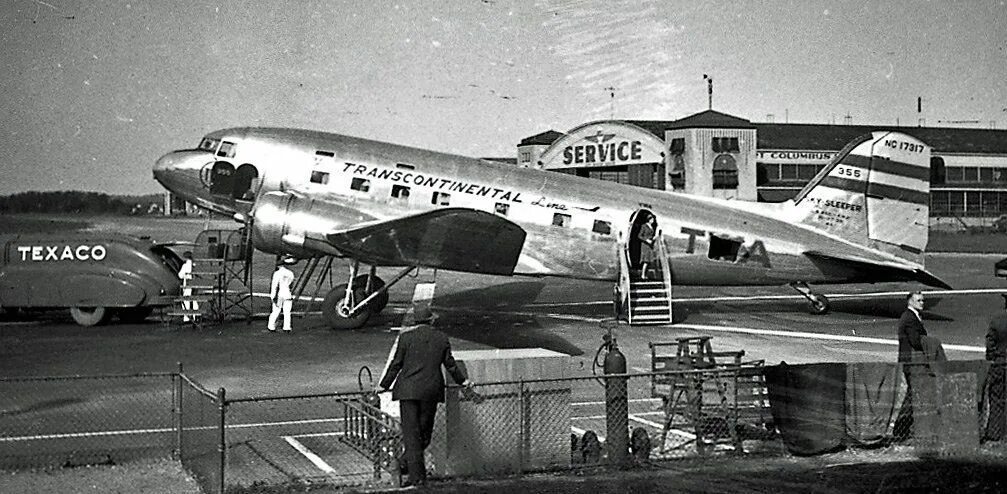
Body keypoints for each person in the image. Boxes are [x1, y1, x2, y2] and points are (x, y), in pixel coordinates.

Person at [377, 307, 471, 487]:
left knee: (411, 435)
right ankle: (411, 473)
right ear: (431, 321)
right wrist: (463, 381)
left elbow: (396, 364)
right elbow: (450, 365)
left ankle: (408, 470)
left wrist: (384, 385)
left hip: (407, 390)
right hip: (430, 391)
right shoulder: (441, 338)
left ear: (415, 321)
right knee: (424, 435)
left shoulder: (406, 338)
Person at [985, 311, 1007, 440]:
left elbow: (990, 343)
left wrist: (992, 359)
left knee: (996, 399)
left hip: (999, 363)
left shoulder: (997, 320)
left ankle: (994, 433)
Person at [267, 256, 296, 332]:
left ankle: (271, 326)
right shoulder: (290, 273)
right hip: (287, 294)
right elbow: (291, 284)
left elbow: (274, 286)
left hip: (279, 294)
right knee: (287, 312)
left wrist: (273, 296)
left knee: (276, 311)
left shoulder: (277, 274)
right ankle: (287, 327)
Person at [177, 251, 198, 322]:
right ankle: (196, 316)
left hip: (187, 285)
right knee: (194, 300)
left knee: (186, 300)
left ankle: (186, 317)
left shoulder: (185, 266)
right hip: (195, 284)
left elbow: (180, 275)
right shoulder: (194, 265)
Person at [637, 215, 657, 280]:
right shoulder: (644, 226)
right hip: (645, 245)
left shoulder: (651, 227)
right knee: (646, 261)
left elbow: (650, 235)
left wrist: (653, 238)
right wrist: (646, 240)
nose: (653, 221)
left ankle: (645, 274)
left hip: (650, 245)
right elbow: (639, 235)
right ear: (649, 219)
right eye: (652, 220)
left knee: (648, 261)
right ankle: (643, 275)